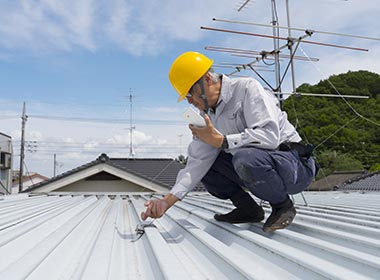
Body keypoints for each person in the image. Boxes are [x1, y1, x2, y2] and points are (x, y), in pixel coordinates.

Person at [141, 51, 316, 232]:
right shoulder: (207, 116)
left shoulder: (247, 88)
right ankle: (248, 209)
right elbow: (196, 164)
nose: (190, 101)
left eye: (191, 93)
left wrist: (223, 141)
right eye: (186, 97)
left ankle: (283, 206)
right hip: (260, 164)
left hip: (295, 166)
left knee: (244, 157)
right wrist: (166, 202)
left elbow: (269, 136)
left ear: (207, 79)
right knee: (207, 167)